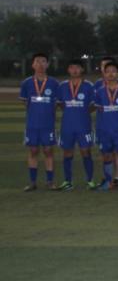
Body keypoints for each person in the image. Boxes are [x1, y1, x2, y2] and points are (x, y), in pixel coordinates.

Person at [20, 53, 59, 191]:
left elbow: (56, 103)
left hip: (48, 124)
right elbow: (25, 102)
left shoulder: (54, 83)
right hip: (32, 124)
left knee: (48, 151)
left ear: (47, 64)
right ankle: (32, 182)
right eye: (37, 61)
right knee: (33, 150)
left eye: (43, 61)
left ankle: (50, 181)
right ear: (33, 65)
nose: (40, 64)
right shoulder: (26, 83)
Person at [56, 59, 96, 191]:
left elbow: (94, 105)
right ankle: (68, 181)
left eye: (77, 67)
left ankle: (90, 180)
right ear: (68, 70)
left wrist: (82, 112)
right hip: (67, 125)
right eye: (72, 67)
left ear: (82, 69)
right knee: (67, 152)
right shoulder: (62, 86)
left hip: (83, 125)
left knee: (86, 152)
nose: (74, 70)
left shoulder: (89, 86)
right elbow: (60, 103)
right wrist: (71, 110)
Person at [94, 60, 118, 190]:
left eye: (113, 71)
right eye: (108, 72)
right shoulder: (99, 91)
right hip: (105, 129)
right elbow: (99, 108)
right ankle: (108, 181)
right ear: (104, 74)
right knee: (106, 155)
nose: (111, 74)